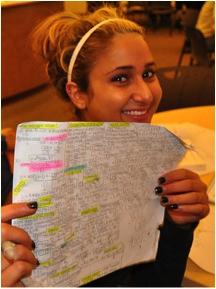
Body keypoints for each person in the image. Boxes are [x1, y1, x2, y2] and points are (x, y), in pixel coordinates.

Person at [1, 6, 209, 287]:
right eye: (121, 78)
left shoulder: (151, 167)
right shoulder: (13, 173)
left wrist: (179, 226)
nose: (147, 94)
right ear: (78, 94)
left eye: (149, 74)